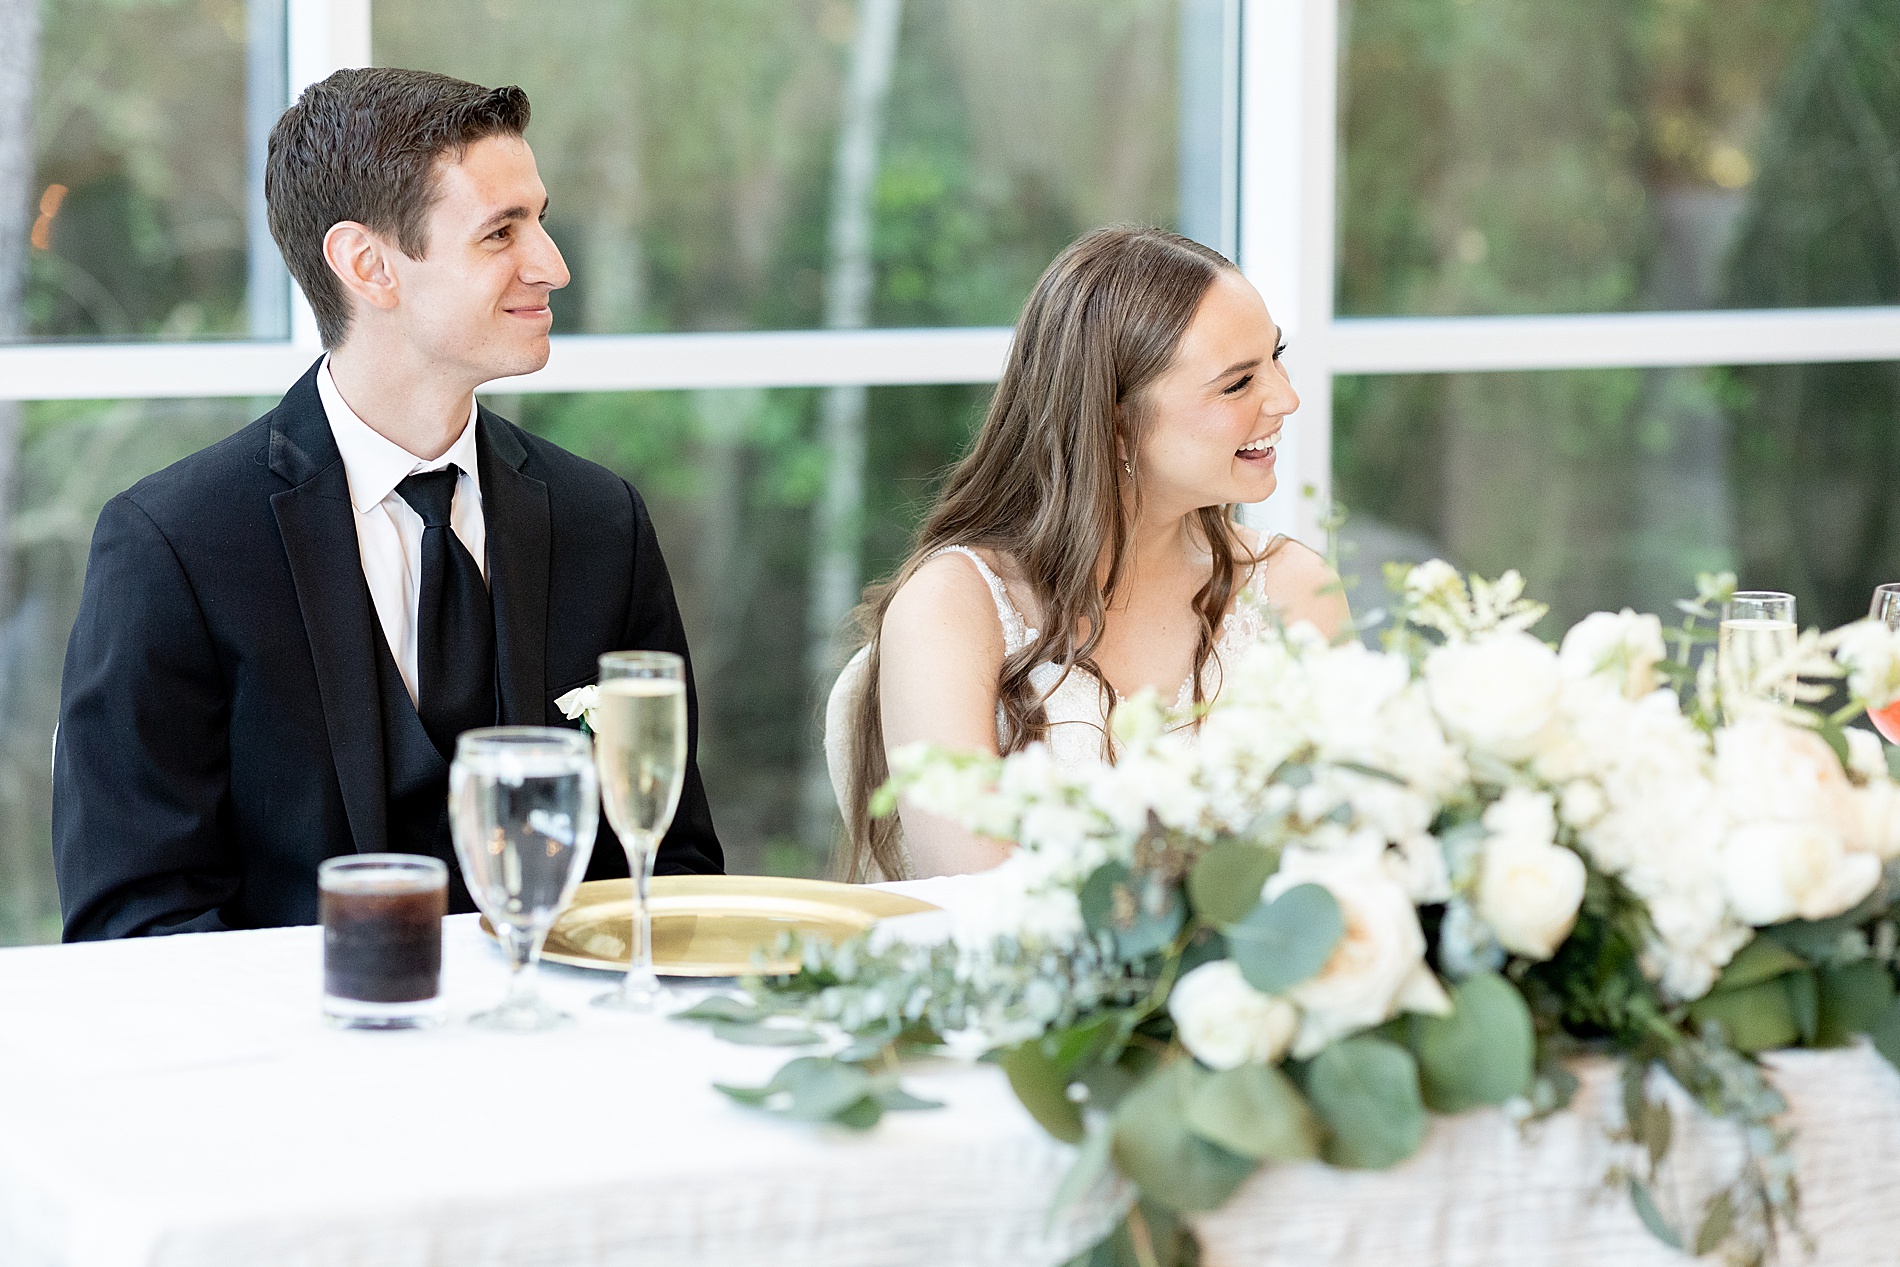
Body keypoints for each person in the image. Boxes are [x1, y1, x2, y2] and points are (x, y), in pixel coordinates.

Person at [52, 68, 723, 939]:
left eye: (541, 220)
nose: (552, 265)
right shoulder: (173, 548)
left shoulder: (604, 524)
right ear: (368, 265)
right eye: (500, 232)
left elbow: (672, 871)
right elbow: (132, 929)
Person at [825, 227, 1348, 882]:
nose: (1286, 397)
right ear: (1116, 423)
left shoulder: (1296, 591)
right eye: (1238, 383)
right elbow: (973, 891)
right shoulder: (952, 607)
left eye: (1277, 358)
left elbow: (1343, 860)